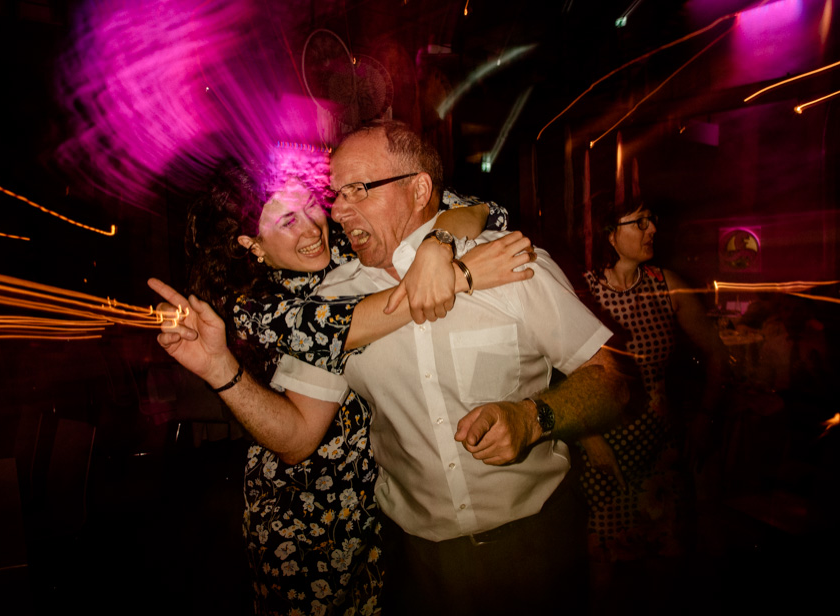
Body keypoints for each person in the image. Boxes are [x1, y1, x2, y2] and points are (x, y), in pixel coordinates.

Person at [266, 120, 632, 615]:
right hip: (417, 566)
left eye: (357, 190)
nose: (338, 210)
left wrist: (533, 418)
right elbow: (295, 438)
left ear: (418, 188)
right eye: (336, 194)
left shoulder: (508, 262)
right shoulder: (335, 300)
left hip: (538, 546)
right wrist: (220, 369)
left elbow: (612, 380)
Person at [149, 156, 533, 616]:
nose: (313, 229)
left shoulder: (347, 253)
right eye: (288, 220)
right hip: (302, 510)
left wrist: (438, 243)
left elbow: (481, 210)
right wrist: (458, 276)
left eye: (313, 207)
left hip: (380, 496)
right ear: (251, 243)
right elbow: (341, 326)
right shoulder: (255, 307)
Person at [577, 199, 726, 612]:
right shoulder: (583, 289)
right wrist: (588, 437)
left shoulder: (667, 284)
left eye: (653, 222)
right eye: (639, 223)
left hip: (663, 451)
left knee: (665, 569)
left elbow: (716, 353)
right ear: (611, 234)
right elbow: (560, 373)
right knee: (604, 575)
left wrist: (704, 417)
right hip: (606, 452)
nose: (651, 230)